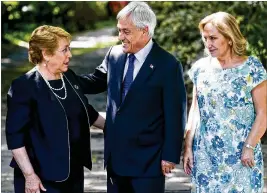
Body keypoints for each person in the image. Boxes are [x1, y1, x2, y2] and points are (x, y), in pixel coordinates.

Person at [75, 2, 187, 193]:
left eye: (126, 31)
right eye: (119, 31)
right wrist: (61, 76)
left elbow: (175, 114)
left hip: (149, 160)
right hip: (116, 157)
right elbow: (94, 81)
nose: (120, 37)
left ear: (145, 31)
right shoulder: (114, 54)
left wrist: (170, 155)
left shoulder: (168, 65)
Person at [5, 25, 105, 193]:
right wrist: (30, 176)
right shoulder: (24, 86)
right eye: (64, 50)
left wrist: (114, 128)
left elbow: (85, 111)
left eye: (69, 49)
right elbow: (15, 138)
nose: (70, 55)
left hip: (73, 173)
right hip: (41, 177)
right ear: (46, 53)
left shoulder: (68, 77)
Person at [183, 12, 267, 193]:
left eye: (213, 38)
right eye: (205, 38)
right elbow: (195, 111)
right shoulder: (200, 69)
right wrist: (188, 147)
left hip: (243, 156)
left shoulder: (251, 68)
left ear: (229, 38)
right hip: (205, 157)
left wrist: (249, 146)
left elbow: (262, 113)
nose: (208, 43)